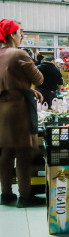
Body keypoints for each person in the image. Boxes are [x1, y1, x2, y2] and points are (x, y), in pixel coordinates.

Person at [0, 19, 45, 207]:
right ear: (12, 35)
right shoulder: (19, 53)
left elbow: (9, 80)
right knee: (24, 153)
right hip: (18, 109)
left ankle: (6, 194)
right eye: (21, 32)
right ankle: (25, 196)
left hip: (3, 108)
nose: (22, 36)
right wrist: (29, 87)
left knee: (6, 153)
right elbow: (39, 78)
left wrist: (26, 89)